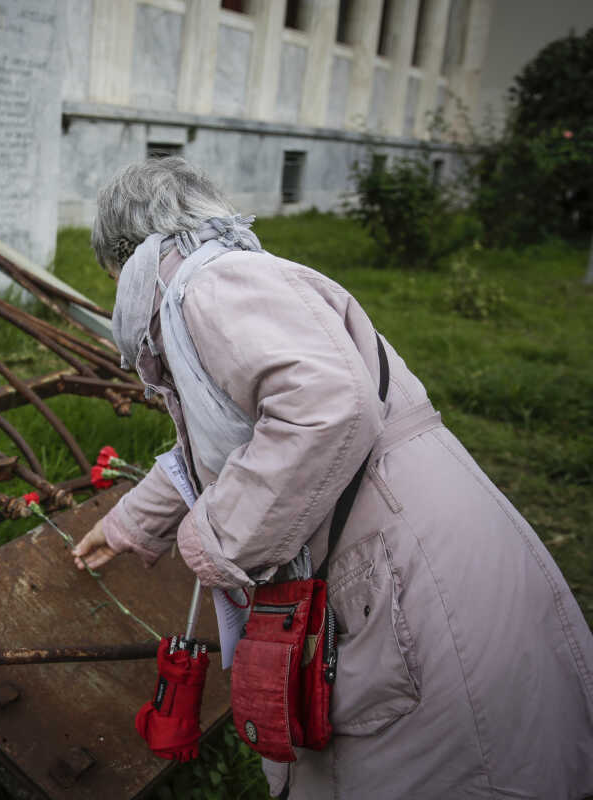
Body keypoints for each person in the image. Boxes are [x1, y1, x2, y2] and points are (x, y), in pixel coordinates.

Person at [72, 157, 593, 799]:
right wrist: (129, 523)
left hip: (400, 553)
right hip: (406, 522)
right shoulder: (220, 280)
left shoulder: (210, 287)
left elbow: (326, 403)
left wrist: (217, 539)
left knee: (446, 757)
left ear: (129, 252)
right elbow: (236, 439)